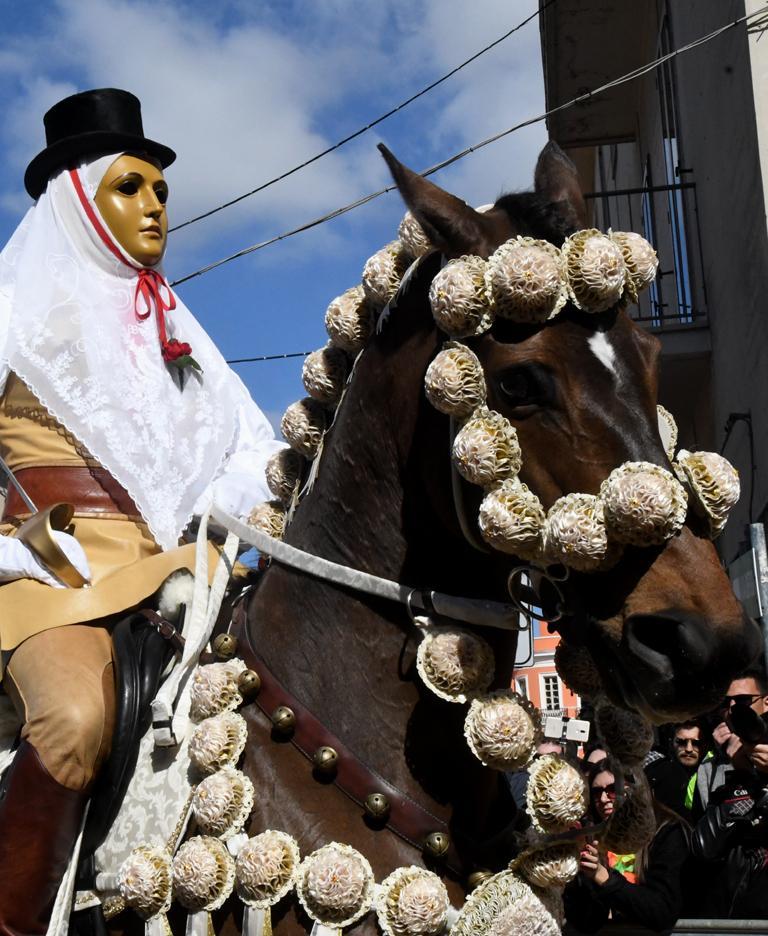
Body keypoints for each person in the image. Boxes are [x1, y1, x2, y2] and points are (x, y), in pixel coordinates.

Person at [0, 88, 283, 932]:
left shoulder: (181, 332)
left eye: (160, 190)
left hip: (186, 570)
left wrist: (215, 517)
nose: (156, 206)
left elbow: (258, 451)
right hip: (48, 575)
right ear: (79, 200)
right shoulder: (9, 312)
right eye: (132, 187)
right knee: (77, 718)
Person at [563, 758, 689, 933]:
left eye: (613, 790)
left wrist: (604, 878)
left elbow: (661, 912)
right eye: (596, 792)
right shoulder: (592, 838)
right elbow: (586, 921)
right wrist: (581, 875)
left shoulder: (666, 831)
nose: (603, 798)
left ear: (635, 790)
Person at [689, 666, 768, 918]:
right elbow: (705, 848)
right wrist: (739, 776)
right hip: (728, 911)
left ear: (766, 702)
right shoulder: (709, 769)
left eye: (743, 701)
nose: (732, 709)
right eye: (726, 702)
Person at [645, 719, 708, 819]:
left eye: (696, 743)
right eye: (681, 742)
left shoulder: (712, 773)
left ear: (704, 745)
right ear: (671, 743)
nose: (689, 749)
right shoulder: (657, 770)